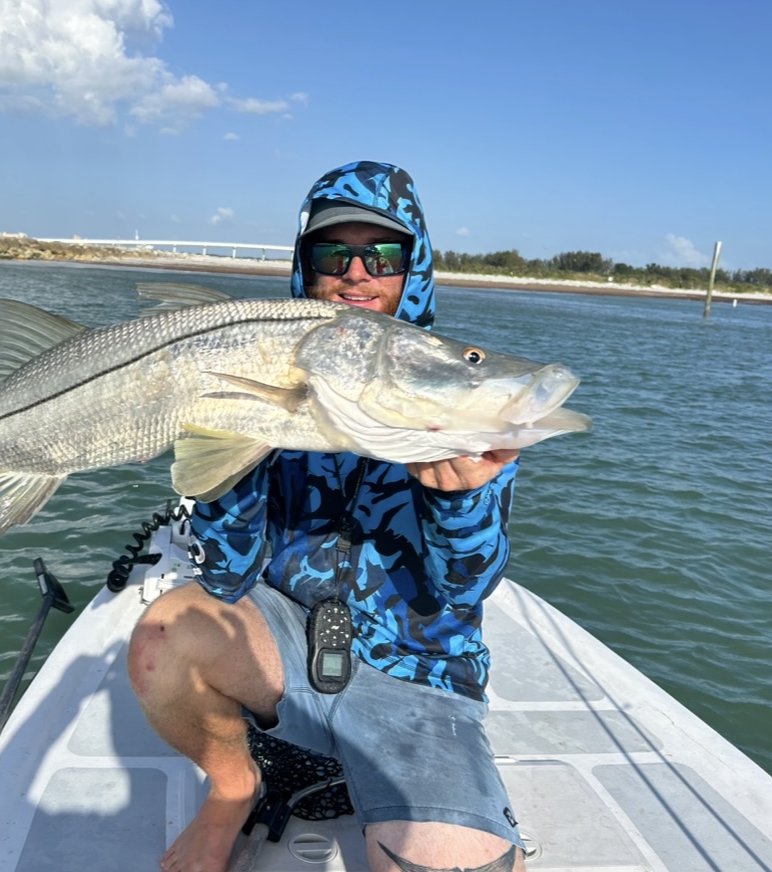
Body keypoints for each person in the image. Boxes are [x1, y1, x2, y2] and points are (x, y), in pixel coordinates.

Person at [128, 161, 525, 872]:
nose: (357, 274)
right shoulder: (266, 367)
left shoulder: (462, 399)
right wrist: (232, 449)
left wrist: (457, 499)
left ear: (417, 268)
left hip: (417, 670)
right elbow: (228, 572)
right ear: (304, 268)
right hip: (287, 639)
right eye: (332, 253)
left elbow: (464, 590)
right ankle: (232, 787)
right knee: (164, 636)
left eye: (384, 255)